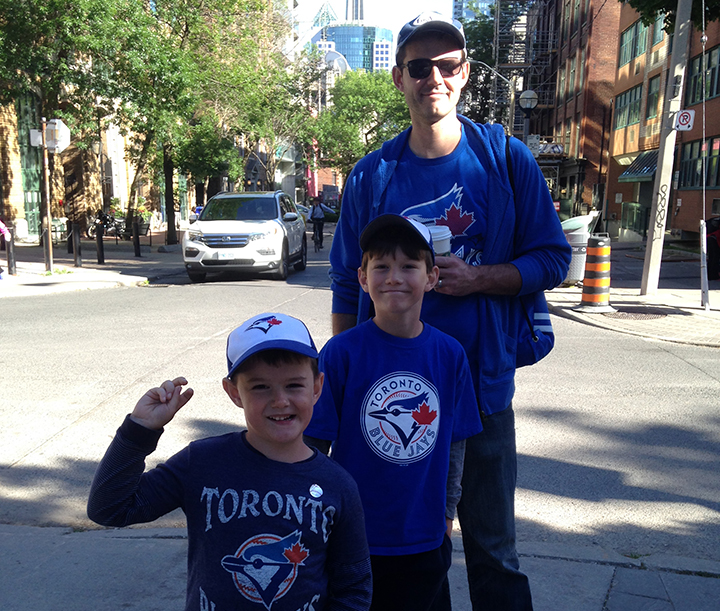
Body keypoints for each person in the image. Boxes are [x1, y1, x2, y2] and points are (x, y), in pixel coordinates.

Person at [328, 12, 571, 611]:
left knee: (493, 551)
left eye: (447, 64)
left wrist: (481, 277)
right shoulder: (371, 176)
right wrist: (342, 382)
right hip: (386, 398)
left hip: (482, 392)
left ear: (464, 74)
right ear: (399, 78)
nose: (433, 76)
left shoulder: (504, 160)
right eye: (419, 66)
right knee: (386, 549)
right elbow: (342, 284)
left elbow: (553, 259)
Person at [87, 312, 372, 611]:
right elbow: (110, 508)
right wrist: (139, 430)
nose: (280, 400)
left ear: (317, 387)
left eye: (294, 385)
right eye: (260, 387)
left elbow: (353, 587)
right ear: (234, 392)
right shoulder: (201, 463)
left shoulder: (337, 485)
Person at [305, 214, 483, 611]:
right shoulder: (340, 354)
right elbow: (313, 449)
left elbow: (456, 446)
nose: (394, 277)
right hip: (352, 537)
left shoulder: (449, 355)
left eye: (408, 266)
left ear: (432, 277)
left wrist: (447, 518)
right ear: (363, 278)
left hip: (424, 537)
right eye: (381, 266)